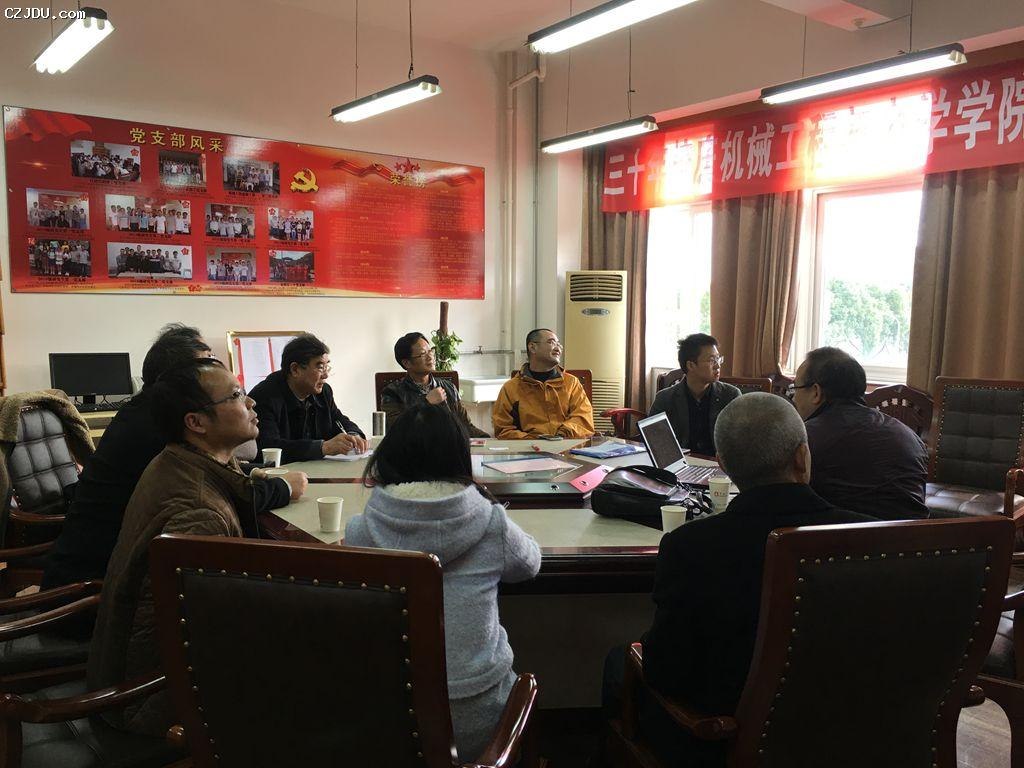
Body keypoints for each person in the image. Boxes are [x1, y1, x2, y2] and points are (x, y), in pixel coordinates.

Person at [625, 393, 870, 767]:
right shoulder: (870, 536)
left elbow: (665, 672)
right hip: (855, 735)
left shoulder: (690, 546)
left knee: (618, 664)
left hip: (722, 741)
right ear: (802, 457)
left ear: (723, 466)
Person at [89, 358, 305, 736]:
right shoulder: (200, 513)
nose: (251, 402)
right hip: (153, 700)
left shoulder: (175, 460)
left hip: (125, 672)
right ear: (196, 423)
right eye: (236, 395)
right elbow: (219, 635)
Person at [42, 324, 305, 590]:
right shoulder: (154, 433)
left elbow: (217, 476)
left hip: (119, 573)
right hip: (90, 583)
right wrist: (281, 487)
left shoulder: (157, 425)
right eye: (206, 364)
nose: (216, 368)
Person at [346, 405, 541, 762]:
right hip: (481, 723)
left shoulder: (361, 531)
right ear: (459, 459)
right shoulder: (492, 523)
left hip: (392, 722)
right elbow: (530, 564)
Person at [790, 346, 929, 520]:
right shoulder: (908, 435)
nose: (793, 398)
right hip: (917, 536)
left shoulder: (806, 438)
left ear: (816, 392)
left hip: (842, 536)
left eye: (795, 388)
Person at [249, 333, 366, 463]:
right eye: (320, 367)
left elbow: (339, 420)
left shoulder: (323, 392)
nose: (326, 375)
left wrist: (353, 435)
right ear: (295, 369)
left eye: (326, 367)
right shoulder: (264, 397)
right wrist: (323, 447)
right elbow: (268, 447)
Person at [492, 328, 594, 439]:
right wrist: (533, 441)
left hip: (566, 444)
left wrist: (561, 435)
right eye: (551, 342)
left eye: (559, 344)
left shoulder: (571, 383)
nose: (558, 348)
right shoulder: (511, 388)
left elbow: (583, 419)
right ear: (532, 347)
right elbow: (503, 429)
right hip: (529, 447)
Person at [380, 332, 488, 437]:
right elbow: (398, 431)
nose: (430, 357)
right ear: (406, 363)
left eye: (430, 351)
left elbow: (466, 426)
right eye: (423, 354)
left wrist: (486, 438)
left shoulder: (448, 387)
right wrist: (426, 403)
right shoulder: (392, 393)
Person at [649, 333, 741, 455]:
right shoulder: (665, 399)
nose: (718, 365)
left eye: (718, 359)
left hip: (718, 462)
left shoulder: (731, 395)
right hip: (682, 461)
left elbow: (740, 439)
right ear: (691, 365)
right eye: (712, 360)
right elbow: (653, 439)